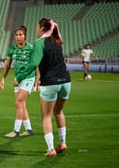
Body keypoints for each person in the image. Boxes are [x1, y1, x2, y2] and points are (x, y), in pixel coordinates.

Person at [27, 18, 71, 157]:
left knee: (46, 116)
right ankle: (62, 142)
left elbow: (35, 62)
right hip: (66, 81)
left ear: (42, 28)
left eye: (36, 26)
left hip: (51, 82)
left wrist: (22, 73)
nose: (36, 29)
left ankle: (51, 149)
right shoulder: (57, 40)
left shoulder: (39, 43)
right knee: (58, 112)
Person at [0, 25, 35, 138]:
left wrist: (38, 80)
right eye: (16, 35)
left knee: (18, 103)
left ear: (25, 36)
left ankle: (16, 131)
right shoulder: (12, 49)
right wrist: (3, 78)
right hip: (17, 78)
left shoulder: (31, 48)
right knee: (21, 104)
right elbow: (8, 64)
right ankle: (29, 129)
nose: (18, 37)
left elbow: (36, 65)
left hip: (29, 77)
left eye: (20, 35)